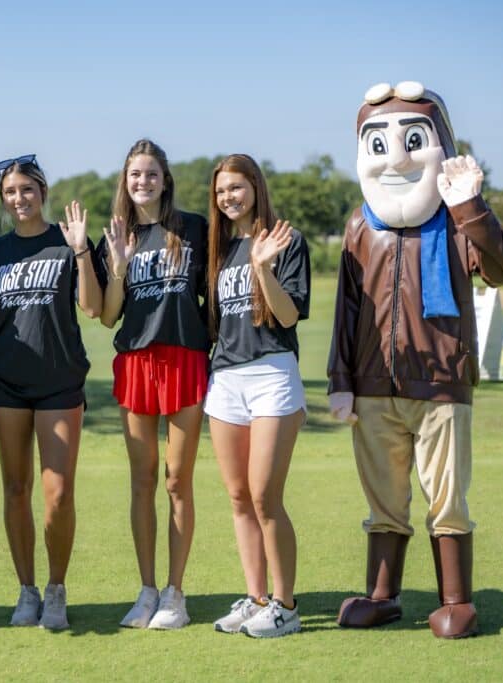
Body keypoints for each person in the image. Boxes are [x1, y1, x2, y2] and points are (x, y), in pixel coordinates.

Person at [329, 82, 503, 638]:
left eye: (414, 139)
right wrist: (341, 379)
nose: (400, 156)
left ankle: (455, 600)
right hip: (372, 386)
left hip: (440, 384)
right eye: (381, 143)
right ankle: (383, 596)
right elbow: (346, 312)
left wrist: (471, 206)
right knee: (383, 498)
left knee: (447, 496)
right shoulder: (360, 228)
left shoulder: (459, 221)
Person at [0, 155, 102, 629]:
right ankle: (27, 590)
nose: (18, 199)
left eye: (26, 189)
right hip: (6, 385)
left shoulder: (67, 244)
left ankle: (57, 590)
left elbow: (92, 305)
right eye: (10, 192)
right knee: (16, 488)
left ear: (43, 191)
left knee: (58, 492)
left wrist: (81, 250)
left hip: (60, 383)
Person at [96, 139, 209, 629]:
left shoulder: (195, 229)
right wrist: (118, 269)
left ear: (165, 178)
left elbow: (215, 293)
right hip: (136, 362)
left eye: (151, 174)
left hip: (185, 357)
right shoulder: (116, 236)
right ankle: (146, 592)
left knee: (177, 480)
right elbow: (106, 315)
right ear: (126, 181)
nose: (142, 182)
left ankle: (175, 595)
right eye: (134, 175)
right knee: (142, 481)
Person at [204, 154, 310, 638]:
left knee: (266, 495)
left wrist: (263, 268)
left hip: (272, 373)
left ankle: (286, 607)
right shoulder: (218, 249)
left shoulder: (285, 240)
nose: (229, 197)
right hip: (226, 380)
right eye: (222, 190)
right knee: (239, 497)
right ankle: (257, 597)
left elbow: (287, 317)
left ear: (255, 187)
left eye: (237, 187)